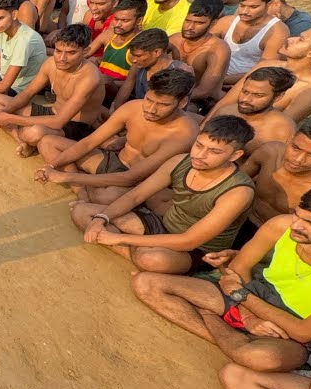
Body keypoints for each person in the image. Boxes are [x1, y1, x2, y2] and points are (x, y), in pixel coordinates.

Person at [131, 189, 311, 377]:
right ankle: (232, 339)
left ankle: (209, 317)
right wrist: (249, 317)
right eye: (296, 214)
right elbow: (239, 267)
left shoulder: (291, 229)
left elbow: (302, 332)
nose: (296, 225)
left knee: (261, 357)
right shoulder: (280, 225)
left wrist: (241, 296)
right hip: (252, 292)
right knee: (146, 283)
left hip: (288, 329)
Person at [72, 115, 255, 274]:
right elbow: (136, 196)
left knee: (152, 259)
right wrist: (102, 219)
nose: (200, 155)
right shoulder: (180, 161)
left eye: (214, 151)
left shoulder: (238, 191)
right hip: (163, 224)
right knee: (83, 212)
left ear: (234, 155)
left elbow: (189, 241)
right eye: (199, 145)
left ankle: (142, 255)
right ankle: (138, 253)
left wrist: (118, 238)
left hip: (196, 249)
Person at [34, 68, 200, 203]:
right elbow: (89, 142)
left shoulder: (184, 133)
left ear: (182, 102)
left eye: (163, 105)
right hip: (113, 161)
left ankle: (86, 187)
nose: (151, 109)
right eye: (149, 100)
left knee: (104, 196)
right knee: (47, 142)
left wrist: (66, 176)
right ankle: (82, 192)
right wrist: (52, 167)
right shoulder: (133, 108)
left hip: (137, 181)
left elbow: (130, 178)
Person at [0, 23, 105, 156]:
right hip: (52, 113)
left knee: (33, 132)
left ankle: (28, 140)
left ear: (85, 52)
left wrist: (9, 118)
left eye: (71, 53)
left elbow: (58, 122)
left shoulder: (89, 78)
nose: (62, 58)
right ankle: (23, 142)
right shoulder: (50, 63)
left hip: (74, 126)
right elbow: (28, 93)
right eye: (58, 51)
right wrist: (4, 111)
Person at [214, 0, 288, 85]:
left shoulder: (277, 32)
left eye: (253, 7)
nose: (244, 11)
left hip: (246, 84)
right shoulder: (226, 22)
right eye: (242, 5)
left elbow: (264, 70)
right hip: (214, 78)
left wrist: (219, 81)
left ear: (269, 4)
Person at [207, 66, 298, 150]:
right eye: (245, 92)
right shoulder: (226, 112)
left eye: (258, 95)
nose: (245, 99)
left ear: (278, 97)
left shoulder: (281, 130)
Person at [171, 0, 231, 108]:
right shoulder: (175, 39)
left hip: (201, 101)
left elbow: (204, 91)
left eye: (199, 23)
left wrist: (169, 98)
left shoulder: (218, 49)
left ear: (213, 23)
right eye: (188, 21)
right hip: (172, 94)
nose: (189, 27)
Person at [112, 28, 188, 109]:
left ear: (157, 52)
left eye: (138, 56)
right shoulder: (137, 66)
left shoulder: (180, 71)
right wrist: (115, 109)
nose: (133, 60)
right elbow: (126, 87)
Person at [91, 0, 146, 101]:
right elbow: (85, 53)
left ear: (139, 20)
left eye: (125, 20)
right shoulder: (109, 34)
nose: (118, 24)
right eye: (116, 19)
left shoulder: (141, 45)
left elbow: (133, 83)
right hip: (100, 83)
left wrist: (107, 82)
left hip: (120, 92)